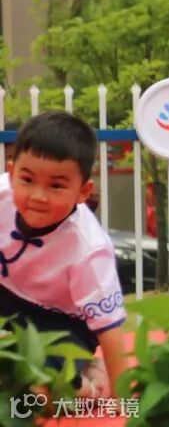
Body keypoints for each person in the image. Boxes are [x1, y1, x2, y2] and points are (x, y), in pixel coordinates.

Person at [0, 112, 131, 397]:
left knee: (33, 394)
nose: (38, 195)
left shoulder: (90, 249)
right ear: (11, 173)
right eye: (27, 179)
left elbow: (109, 329)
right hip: (5, 298)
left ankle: (85, 387)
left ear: (83, 191)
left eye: (56, 185)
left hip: (61, 323)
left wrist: (124, 400)